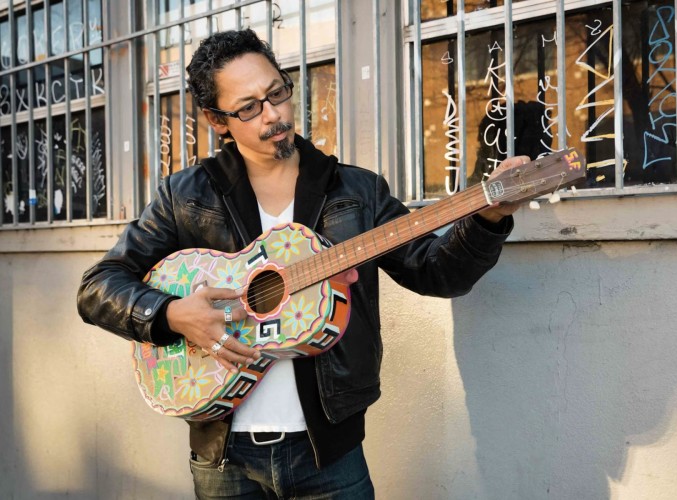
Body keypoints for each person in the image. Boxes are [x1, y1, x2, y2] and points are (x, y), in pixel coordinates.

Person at [77, 28, 527, 499]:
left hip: (329, 455)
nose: (273, 114)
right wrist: (171, 315)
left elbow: (438, 272)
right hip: (222, 459)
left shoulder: (356, 191)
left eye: (277, 93)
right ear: (217, 120)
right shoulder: (186, 196)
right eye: (249, 107)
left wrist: (486, 217)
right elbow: (97, 287)